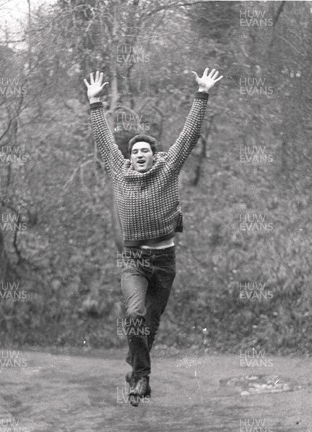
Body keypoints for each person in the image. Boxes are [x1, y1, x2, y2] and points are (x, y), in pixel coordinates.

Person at [84, 68, 222, 406]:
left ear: (153, 153)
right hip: (134, 261)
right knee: (134, 315)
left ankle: (136, 370)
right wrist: (95, 102)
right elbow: (104, 140)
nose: (139, 154)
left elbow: (189, 136)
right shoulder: (120, 172)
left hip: (164, 261)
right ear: (129, 157)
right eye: (135, 152)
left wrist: (202, 94)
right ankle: (142, 380)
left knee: (149, 327)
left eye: (145, 150)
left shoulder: (167, 168)